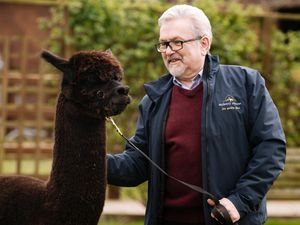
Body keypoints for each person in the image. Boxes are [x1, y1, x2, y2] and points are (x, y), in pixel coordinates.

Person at [107, 4, 286, 225]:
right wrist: (90, 160)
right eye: (164, 44)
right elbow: (137, 165)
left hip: (227, 219)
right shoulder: (153, 100)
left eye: (177, 42)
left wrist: (239, 201)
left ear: (204, 44)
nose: (169, 50)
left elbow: (271, 147)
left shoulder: (246, 84)